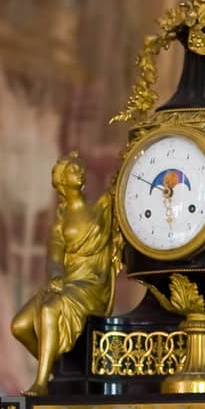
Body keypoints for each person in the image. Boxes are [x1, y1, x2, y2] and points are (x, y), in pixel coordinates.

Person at [11, 153, 122, 395]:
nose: (80, 172)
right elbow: (53, 259)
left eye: (80, 169)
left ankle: (41, 383)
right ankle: (57, 366)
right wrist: (56, 276)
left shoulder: (101, 207)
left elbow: (121, 190)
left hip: (91, 284)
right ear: (61, 181)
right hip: (67, 282)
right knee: (19, 326)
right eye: (73, 170)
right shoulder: (59, 225)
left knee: (50, 310)